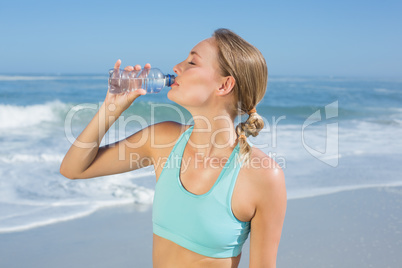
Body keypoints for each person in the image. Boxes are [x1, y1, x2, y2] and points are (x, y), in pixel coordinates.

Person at [60, 28, 287, 268]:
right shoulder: (163, 141)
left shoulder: (262, 176)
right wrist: (111, 108)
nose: (177, 67)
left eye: (192, 61)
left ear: (224, 85)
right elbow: (74, 169)